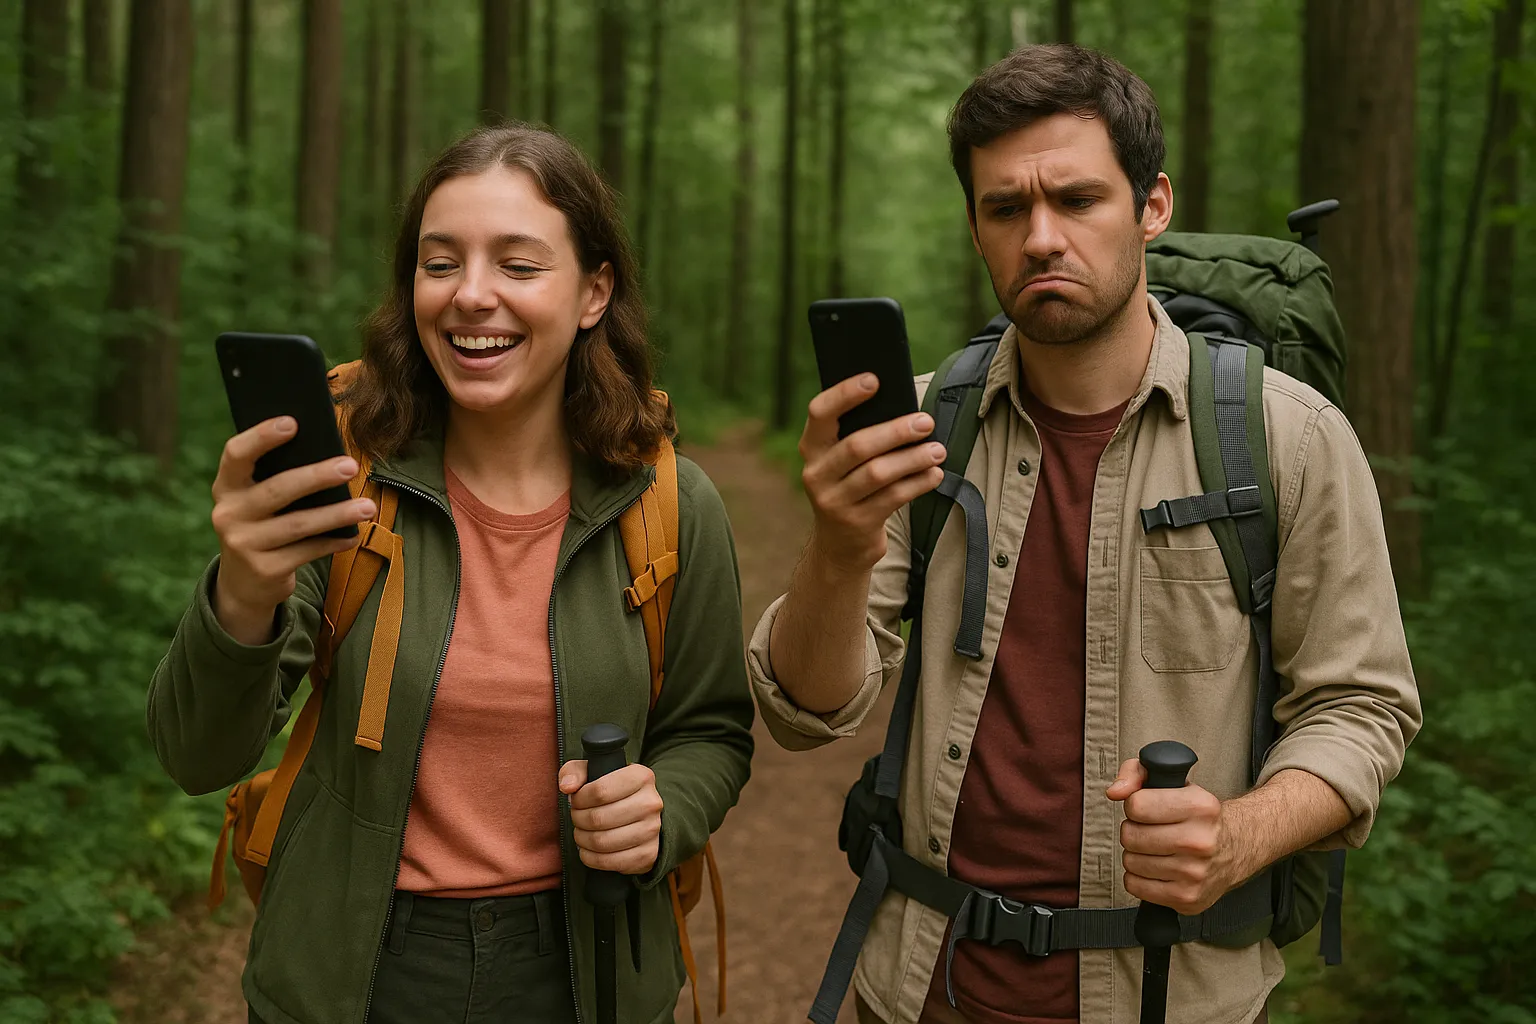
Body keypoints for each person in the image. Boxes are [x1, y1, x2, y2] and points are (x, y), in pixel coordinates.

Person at [748, 44, 1421, 1024]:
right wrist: (840, 547)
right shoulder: (925, 432)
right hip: (918, 988)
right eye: (1005, 209)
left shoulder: (1289, 438)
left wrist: (1238, 835)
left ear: (1153, 206)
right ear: (976, 227)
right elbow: (805, 711)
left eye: (1077, 199)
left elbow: (1361, 705)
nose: (1040, 238)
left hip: (1169, 995)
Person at [147, 123, 755, 1024]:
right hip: (353, 972)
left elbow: (712, 730)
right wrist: (243, 589)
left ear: (594, 292)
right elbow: (197, 755)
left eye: (518, 265)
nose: (471, 295)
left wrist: (664, 810)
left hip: (588, 971)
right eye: (440, 264)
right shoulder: (344, 480)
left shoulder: (669, 502)